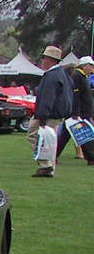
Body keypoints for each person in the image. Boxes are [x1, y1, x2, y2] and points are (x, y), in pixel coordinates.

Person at [28, 45, 73, 177]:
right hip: (58, 113)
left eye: (44, 58)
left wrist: (42, 116)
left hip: (49, 114)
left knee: (33, 136)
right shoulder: (63, 74)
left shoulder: (51, 76)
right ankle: (49, 166)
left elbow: (48, 97)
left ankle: (45, 164)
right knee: (51, 140)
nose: (42, 61)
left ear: (50, 60)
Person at [55, 55, 94, 166]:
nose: (91, 68)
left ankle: (53, 155)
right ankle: (91, 157)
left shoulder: (82, 77)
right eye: (90, 65)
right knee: (84, 135)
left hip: (81, 112)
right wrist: (75, 113)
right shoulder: (77, 77)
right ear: (84, 66)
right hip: (79, 113)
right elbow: (75, 95)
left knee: (66, 136)